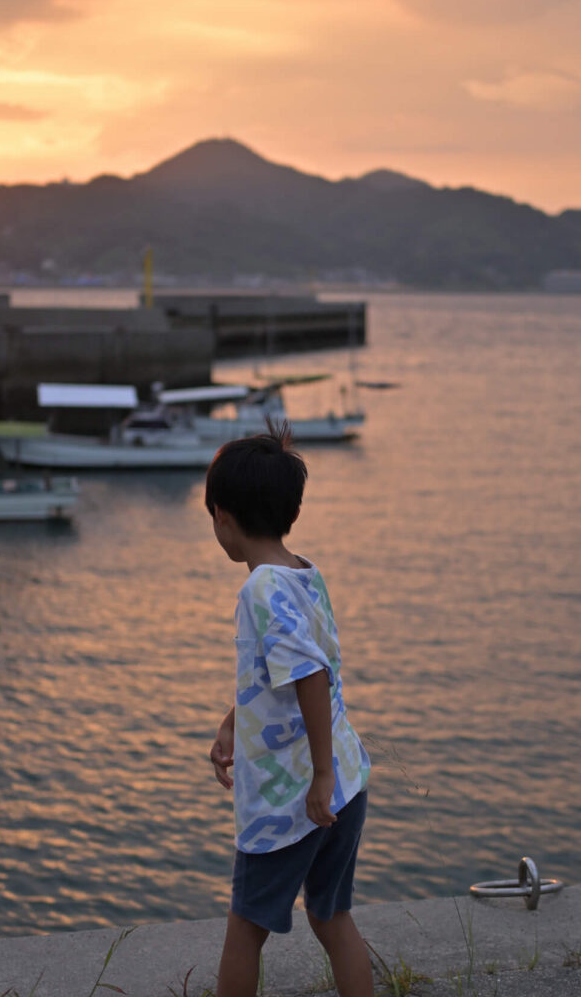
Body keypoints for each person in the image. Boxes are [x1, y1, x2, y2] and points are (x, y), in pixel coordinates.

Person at [205, 423, 372, 997]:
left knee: (244, 932)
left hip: (293, 799)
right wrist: (234, 719)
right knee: (332, 919)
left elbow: (310, 673)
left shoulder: (258, 590)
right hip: (344, 785)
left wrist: (317, 774)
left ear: (222, 517)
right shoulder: (304, 573)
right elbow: (288, 667)